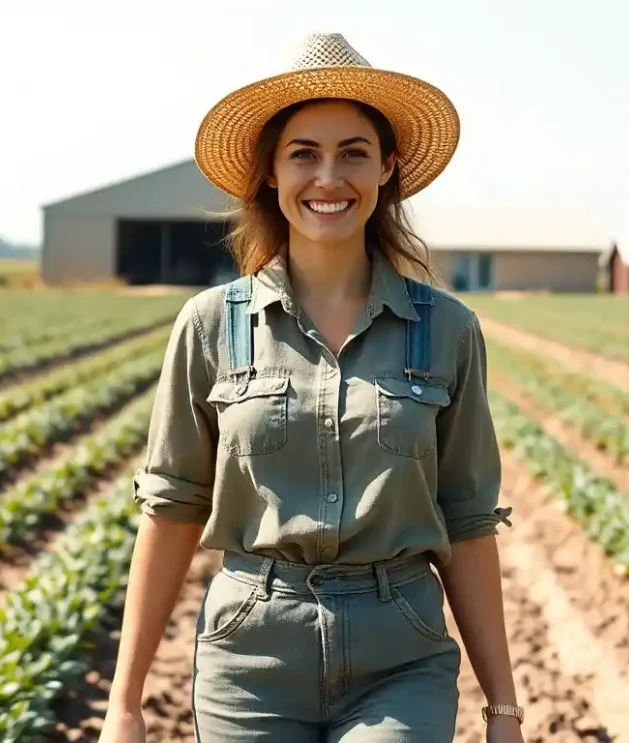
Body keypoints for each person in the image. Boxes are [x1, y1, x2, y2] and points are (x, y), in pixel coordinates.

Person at [99, 32, 523, 743]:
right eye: (304, 153)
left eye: (353, 152)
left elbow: (468, 520)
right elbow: (171, 509)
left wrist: (502, 708)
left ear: (388, 168)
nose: (329, 177)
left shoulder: (446, 329)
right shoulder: (210, 326)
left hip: (402, 656)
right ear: (270, 171)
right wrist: (125, 703)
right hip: (249, 655)